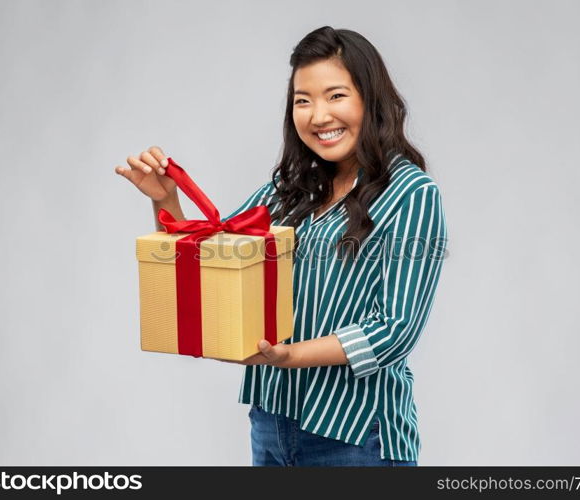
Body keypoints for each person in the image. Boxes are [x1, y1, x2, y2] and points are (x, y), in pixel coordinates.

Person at [115, 26, 448, 467]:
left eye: (335, 95)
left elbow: (395, 330)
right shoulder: (288, 191)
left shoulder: (411, 194)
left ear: (371, 99)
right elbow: (208, 258)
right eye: (303, 100)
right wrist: (165, 198)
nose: (318, 115)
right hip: (272, 424)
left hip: (354, 437)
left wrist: (292, 356)